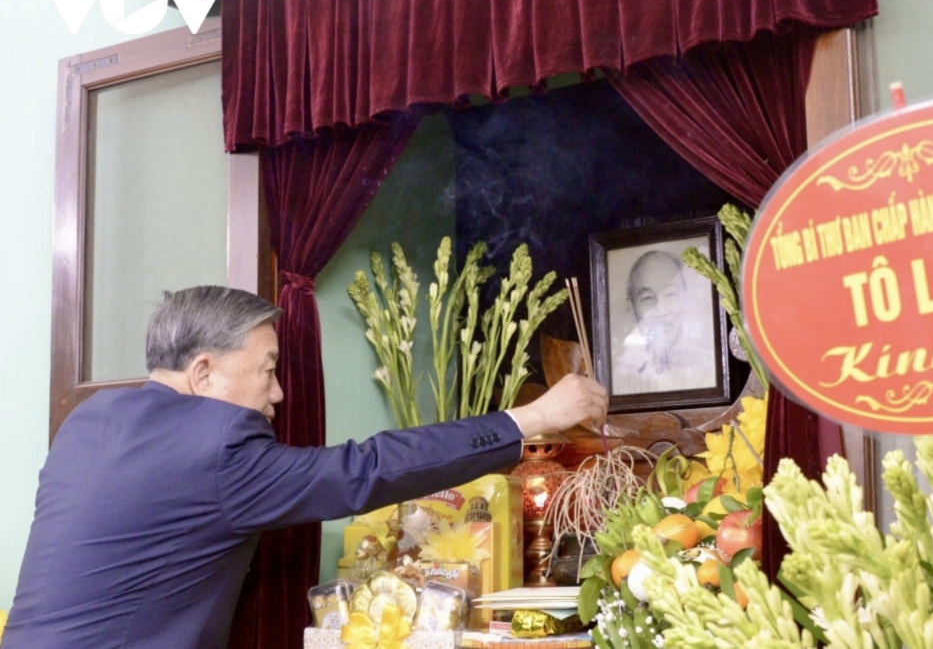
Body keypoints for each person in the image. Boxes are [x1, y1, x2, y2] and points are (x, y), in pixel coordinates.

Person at [4, 286, 607, 649]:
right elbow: (362, 472)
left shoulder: (90, 419)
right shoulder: (215, 445)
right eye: (268, 369)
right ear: (204, 372)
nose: (280, 395)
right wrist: (529, 418)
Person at [612, 250, 712, 394]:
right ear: (631, 307)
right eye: (647, 298)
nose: (660, 310)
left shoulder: (707, 368)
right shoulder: (618, 378)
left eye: (670, 295)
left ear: (686, 299)